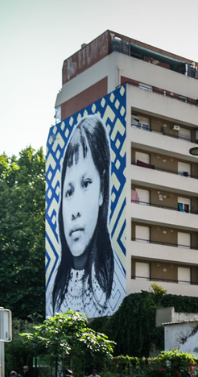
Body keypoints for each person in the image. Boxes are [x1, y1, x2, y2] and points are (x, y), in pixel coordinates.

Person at [48, 115, 121, 318]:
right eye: (68, 192)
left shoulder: (116, 288)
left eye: (86, 183)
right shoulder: (53, 292)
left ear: (102, 189)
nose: (75, 210)